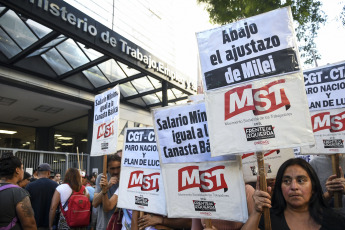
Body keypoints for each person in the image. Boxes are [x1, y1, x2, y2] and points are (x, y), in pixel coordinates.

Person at [241, 158, 345, 230]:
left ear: (313, 187)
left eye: (301, 181)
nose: (294, 187)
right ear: (280, 187)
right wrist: (256, 211)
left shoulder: (335, 220)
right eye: (286, 181)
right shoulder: (268, 220)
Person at [0, 152, 37, 230]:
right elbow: (29, 225)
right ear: (17, 170)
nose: (23, 171)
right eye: (22, 168)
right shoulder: (19, 193)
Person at [92, 154, 121, 230]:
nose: (116, 171)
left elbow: (108, 207)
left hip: (118, 226)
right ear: (107, 168)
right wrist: (107, 187)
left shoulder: (125, 180)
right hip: (103, 225)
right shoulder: (101, 178)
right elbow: (95, 203)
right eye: (112, 168)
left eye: (118, 167)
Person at [26, 163, 58, 229]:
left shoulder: (30, 186)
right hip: (50, 222)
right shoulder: (55, 185)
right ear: (49, 173)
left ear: (37, 173)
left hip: (34, 222)